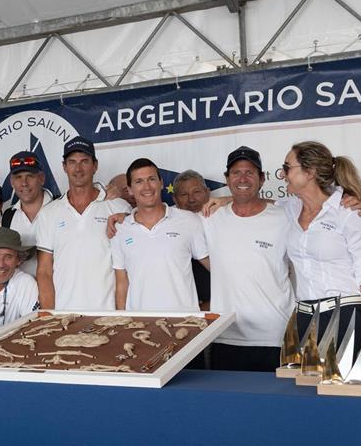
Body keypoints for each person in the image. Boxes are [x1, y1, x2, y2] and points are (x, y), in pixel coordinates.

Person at [280, 141, 361, 374]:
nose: (282, 174)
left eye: (287, 168)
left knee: (347, 401)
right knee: (308, 402)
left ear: (310, 173)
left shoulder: (348, 212)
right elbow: (259, 205)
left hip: (345, 317)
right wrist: (223, 200)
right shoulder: (290, 207)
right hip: (305, 319)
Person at [202, 146, 294, 372]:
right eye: (236, 173)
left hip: (276, 336)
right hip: (225, 337)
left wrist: (354, 203)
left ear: (262, 179)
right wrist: (125, 216)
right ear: (227, 179)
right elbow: (164, 218)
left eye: (250, 172)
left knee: (278, 407)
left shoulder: (285, 217)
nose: (242, 178)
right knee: (229, 407)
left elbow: (318, 206)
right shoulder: (209, 218)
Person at [36, 136, 132, 310]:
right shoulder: (48, 213)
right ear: (64, 167)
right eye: (72, 162)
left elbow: (130, 266)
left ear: (95, 165)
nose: (78, 168)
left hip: (108, 315)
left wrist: (121, 314)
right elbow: (44, 272)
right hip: (65, 317)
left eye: (84, 161)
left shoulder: (118, 207)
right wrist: (49, 316)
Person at [111, 159, 209, 312]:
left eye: (151, 179)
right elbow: (122, 283)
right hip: (139, 324)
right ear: (129, 189)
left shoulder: (190, 220)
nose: (147, 187)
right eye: (139, 181)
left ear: (161, 183)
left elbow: (215, 267)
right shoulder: (120, 229)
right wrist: (121, 320)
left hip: (185, 323)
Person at [2, 151, 55, 276]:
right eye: (18, 177)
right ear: (11, 182)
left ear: (41, 178)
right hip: (21, 292)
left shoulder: (61, 207)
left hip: (57, 291)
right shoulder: (8, 216)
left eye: (30, 176)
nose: (24, 183)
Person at [173, 170, 212, 310]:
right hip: (184, 308)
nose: (191, 199)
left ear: (207, 192)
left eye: (196, 192)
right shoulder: (167, 225)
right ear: (175, 199)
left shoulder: (225, 218)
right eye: (184, 194)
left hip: (223, 300)